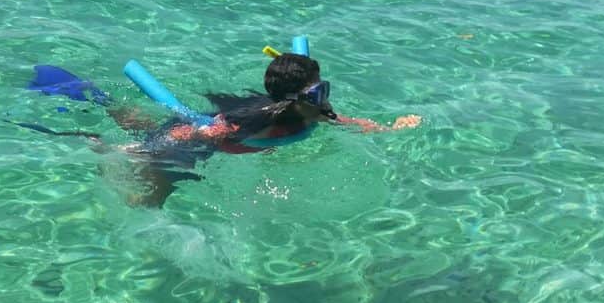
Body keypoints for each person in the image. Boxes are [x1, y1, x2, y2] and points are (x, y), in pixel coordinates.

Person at [113, 53, 420, 205]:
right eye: (315, 94)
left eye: (323, 88)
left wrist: (390, 128)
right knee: (153, 200)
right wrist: (152, 148)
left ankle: (127, 121)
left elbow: (348, 124)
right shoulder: (260, 119)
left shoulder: (313, 111)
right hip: (198, 144)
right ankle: (115, 137)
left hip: (225, 138)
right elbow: (202, 132)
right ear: (291, 101)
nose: (323, 100)